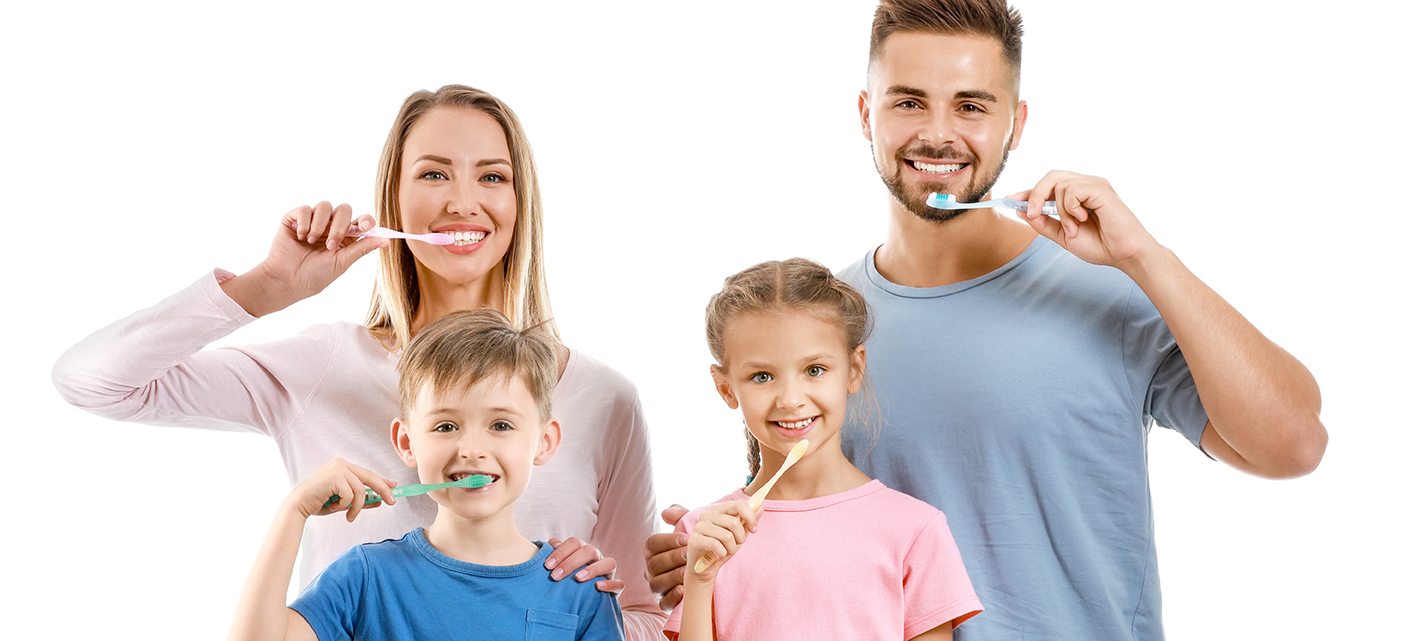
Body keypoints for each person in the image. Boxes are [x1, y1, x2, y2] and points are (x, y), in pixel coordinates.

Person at [643, 2, 1327, 639]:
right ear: (864, 114)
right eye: (907, 101)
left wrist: (1145, 257)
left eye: (970, 105)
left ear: (1015, 125)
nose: (936, 132)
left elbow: (1293, 444)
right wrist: (707, 564)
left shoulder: (1107, 293)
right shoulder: (818, 331)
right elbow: (798, 518)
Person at [52, 85, 663, 637]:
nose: (462, 201)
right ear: (393, 197)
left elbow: (644, 616)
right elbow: (93, 381)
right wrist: (267, 287)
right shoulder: (323, 365)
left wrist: (583, 606)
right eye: (432, 174)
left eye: (492, 177)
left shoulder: (603, 398)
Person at [229, 309, 623, 641]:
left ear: (545, 441)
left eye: (501, 425)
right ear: (406, 441)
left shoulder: (580, 591)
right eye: (446, 426)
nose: (471, 448)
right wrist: (292, 513)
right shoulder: (366, 577)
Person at [666, 258, 982, 641]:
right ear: (726, 388)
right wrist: (700, 580)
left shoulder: (916, 529)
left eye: (814, 369)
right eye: (761, 376)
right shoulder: (706, 534)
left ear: (853, 369)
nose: (791, 399)